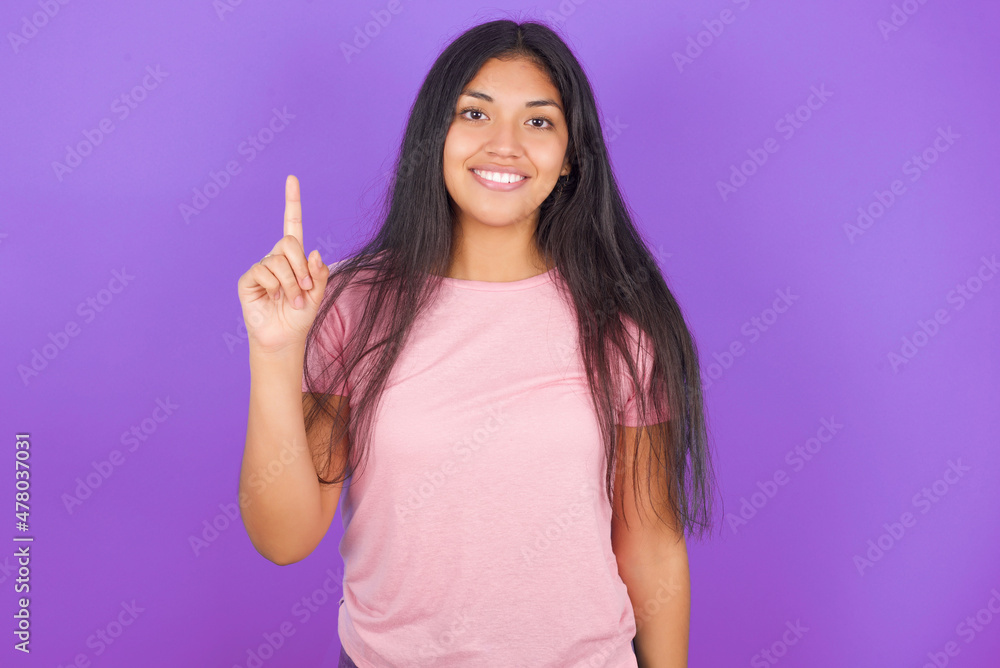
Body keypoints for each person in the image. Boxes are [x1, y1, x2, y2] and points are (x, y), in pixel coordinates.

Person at [237, 18, 719, 668]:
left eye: (539, 122)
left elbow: (653, 547)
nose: (505, 145)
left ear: (572, 156)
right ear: (436, 134)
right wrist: (274, 353)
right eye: (475, 113)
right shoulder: (354, 303)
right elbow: (285, 537)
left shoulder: (619, 322)